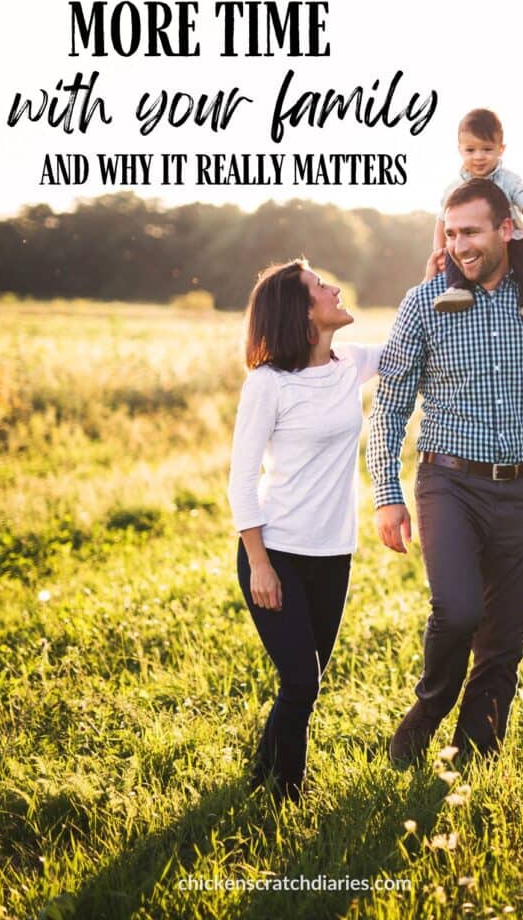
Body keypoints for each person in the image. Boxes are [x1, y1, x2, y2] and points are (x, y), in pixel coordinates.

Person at [367, 177, 523, 763]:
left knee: (503, 641)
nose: (459, 244)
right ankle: (429, 710)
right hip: (448, 482)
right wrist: (387, 494)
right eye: (451, 233)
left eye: (471, 231)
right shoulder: (424, 304)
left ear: (507, 229)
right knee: (459, 610)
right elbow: (390, 404)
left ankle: (473, 762)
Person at [228, 259, 382, 802]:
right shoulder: (267, 384)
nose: (335, 287)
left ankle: (261, 777)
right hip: (277, 552)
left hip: (333, 552)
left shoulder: (350, 364)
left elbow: (416, 344)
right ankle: (284, 798)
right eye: (321, 286)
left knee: (304, 685)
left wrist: (440, 271)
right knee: (301, 681)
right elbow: (241, 482)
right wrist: (261, 564)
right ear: (302, 310)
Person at [433, 107, 523, 325]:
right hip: (467, 247)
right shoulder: (454, 188)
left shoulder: (508, 180)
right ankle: (457, 288)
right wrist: (439, 250)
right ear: (460, 150)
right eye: (470, 150)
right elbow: (442, 221)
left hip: (512, 238)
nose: (479, 157)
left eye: (487, 149)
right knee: (455, 253)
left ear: (501, 149)